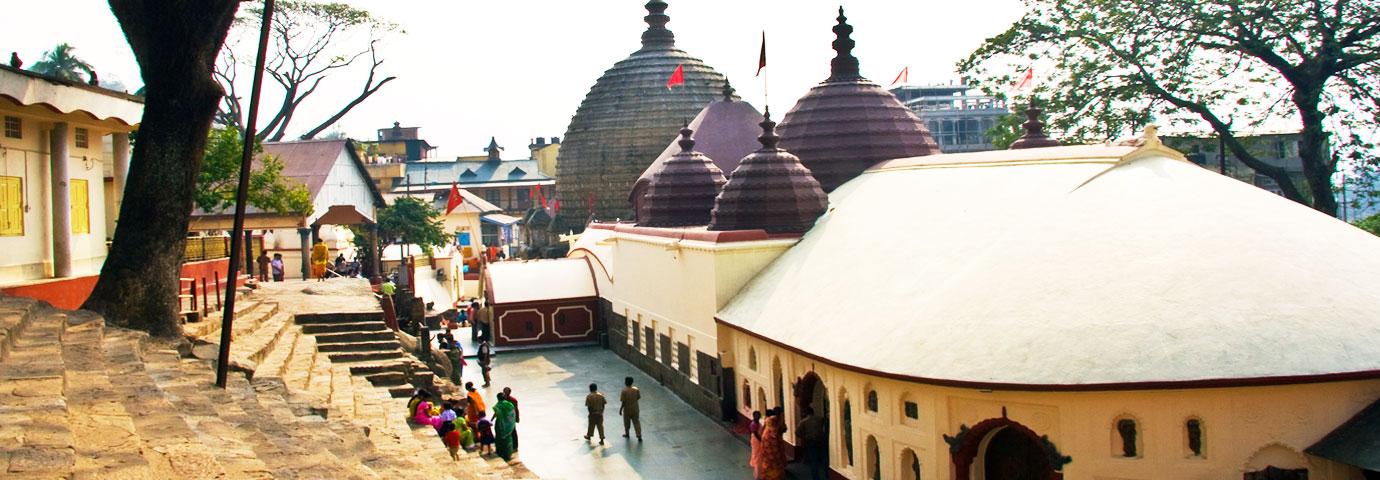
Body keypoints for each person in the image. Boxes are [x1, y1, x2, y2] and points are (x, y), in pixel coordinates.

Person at [796, 406, 828, 480]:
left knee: (813, 459)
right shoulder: (820, 419)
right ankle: (827, 474)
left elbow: (797, 432)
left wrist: (804, 436)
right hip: (820, 439)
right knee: (823, 457)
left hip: (810, 441)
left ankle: (815, 477)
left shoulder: (804, 421)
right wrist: (824, 434)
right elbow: (827, 425)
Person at [757, 408, 789, 480]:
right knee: (772, 459)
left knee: (775, 458)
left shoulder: (778, 420)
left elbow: (783, 429)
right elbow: (775, 430)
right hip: (770, 442)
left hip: (774, 441)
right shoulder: (772, 420)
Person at [492, 392, 517, 461]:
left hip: (500, 424)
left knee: (500, 438)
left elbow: (496, 413)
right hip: (509, 424)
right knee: (508, 439)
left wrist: (491, 420)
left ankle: (500, 452)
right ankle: (508, 454)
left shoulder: (498, 405)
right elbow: (513, 413)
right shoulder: (509, 404)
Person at [619, 376, 642, 441]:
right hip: (635, 408)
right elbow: (638, 397)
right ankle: (639, 435)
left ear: (626, 382)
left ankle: (627, 433)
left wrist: (620, 409)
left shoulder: (624, 391)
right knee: (636, 422)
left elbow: (623, 402)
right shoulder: (636, 389)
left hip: (627, 409)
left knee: (626, 422)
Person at [749, 411, 763, 475]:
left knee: (759, 455)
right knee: (757, 456)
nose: (758, 417)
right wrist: (761, 440)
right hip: (756, 441)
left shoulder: (758, 423)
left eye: (759, 415)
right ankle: (757, 473)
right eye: (757, 415)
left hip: (758, 440)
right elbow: (756, 434)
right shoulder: (753, 424)